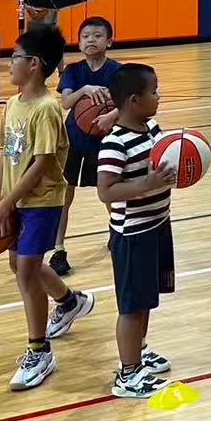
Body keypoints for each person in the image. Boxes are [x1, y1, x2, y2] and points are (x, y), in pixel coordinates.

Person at [0, 22, 94, 392]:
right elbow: (6, 156)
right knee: (19, 264)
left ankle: (39, 351)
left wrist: (8, 203)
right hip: (16, 200)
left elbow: (43, 164)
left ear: (34, 64)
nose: (9, 63)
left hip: (42, 202)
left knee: (26, 272)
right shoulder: (13, 104)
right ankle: (69, 302)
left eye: (15, 57)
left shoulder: (47, 109)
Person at [96, 63, 177, 399]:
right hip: (133, 234)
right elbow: (106, 190)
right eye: (154, 91)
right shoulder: (115, 144)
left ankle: (138, 351)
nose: (159, 96)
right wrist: (146, 183)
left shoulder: (151, 128)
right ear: (134, 100)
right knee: (130, 305)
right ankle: (127, 374)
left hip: (158, 224)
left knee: (146, 300)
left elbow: (161, 162)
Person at [49, 15, 122, 277]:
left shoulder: (117, 71)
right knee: (64, 197)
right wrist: (86, 90)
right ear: (79, 43)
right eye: (85, 36)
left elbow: (127, 103)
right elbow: (66, 103)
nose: (91, 40)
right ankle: (58, 250)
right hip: (72, 142)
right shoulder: (73, 71)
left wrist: (110, 116)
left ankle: (117, 232)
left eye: (97, 35)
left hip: (106, 142)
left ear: (110, 41)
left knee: (108, 193)